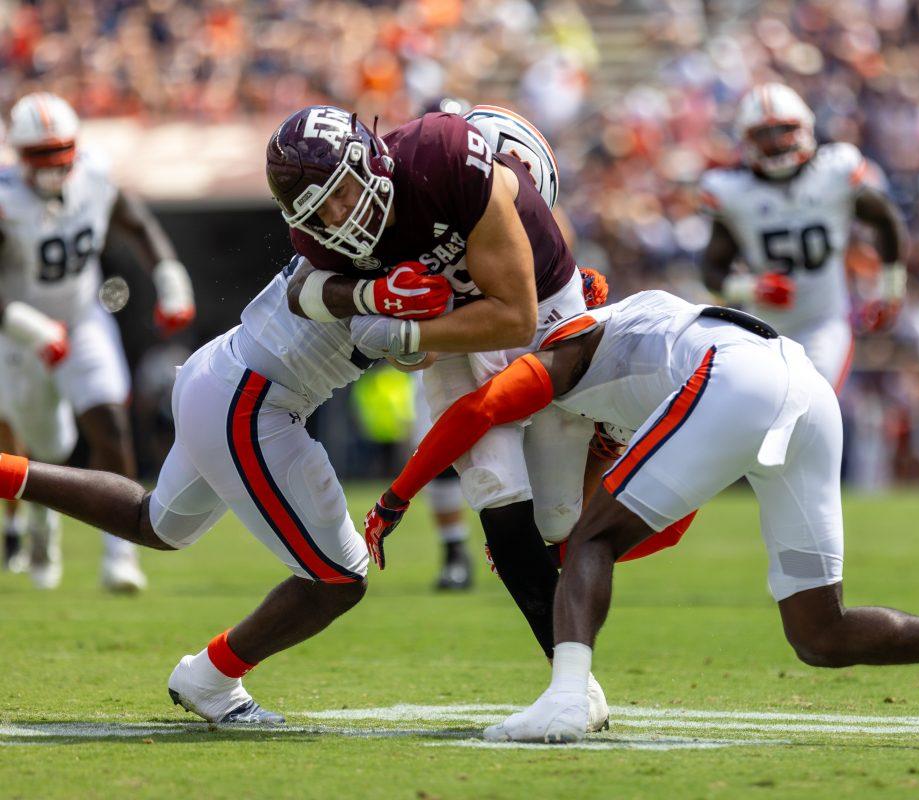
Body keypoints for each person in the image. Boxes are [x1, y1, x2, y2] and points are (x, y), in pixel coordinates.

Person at [364, 290, 919, 745]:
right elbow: (672, 521)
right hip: (802, 388)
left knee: (591, 537)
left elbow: (479, 411)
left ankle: (568, 697)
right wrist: (576, 547)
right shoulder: (638, 340)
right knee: (819, 632)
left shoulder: (571, 343)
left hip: (733, 379)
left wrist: (396, 496)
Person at [0, 245, 453, 723]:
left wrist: (410, 326)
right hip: (256, 400)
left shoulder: (363, 231)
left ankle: (6, 472)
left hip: (224, 368)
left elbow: (404, 349)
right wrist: (404, 311)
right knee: (340, 579)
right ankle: (211, 678)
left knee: (152, 523)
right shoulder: (381, 237)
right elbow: (351, 314)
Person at [275, 104, 611, 728]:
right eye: (319, 212)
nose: (338, 219)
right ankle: (576, 687)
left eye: (342, 195)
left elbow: (514, 316)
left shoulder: (445, 157)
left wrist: (403, 334)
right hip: (460, 332)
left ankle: (601, 451)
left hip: (539, 313)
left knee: (559, 515)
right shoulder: (322, 231)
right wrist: (375, 299)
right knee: (498, 502)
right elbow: (300, 291)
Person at [0, 92, 195, 592]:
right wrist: (30, 327)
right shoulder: (5, 200)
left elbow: (139, 226)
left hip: (85, 318)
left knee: (110, 422)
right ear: (19, 155)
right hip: (20, 333)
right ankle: (44, 521)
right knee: (49, 446)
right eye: (38, 155)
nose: (51, 164)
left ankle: (121, 553)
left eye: (58, 150)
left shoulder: (95, 175)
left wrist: (170, 280)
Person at [699, 82, 907, 392]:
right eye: (764, 134)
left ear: (806, 127)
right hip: (761, 328)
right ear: (746, 140)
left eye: (784, 129)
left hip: (825, 322)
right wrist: (752, 288)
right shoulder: (731, 191)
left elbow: (886, 220)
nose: (776, 141)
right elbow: (712, 272)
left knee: (810, 397)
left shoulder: (834, 170)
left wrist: (891, 291)